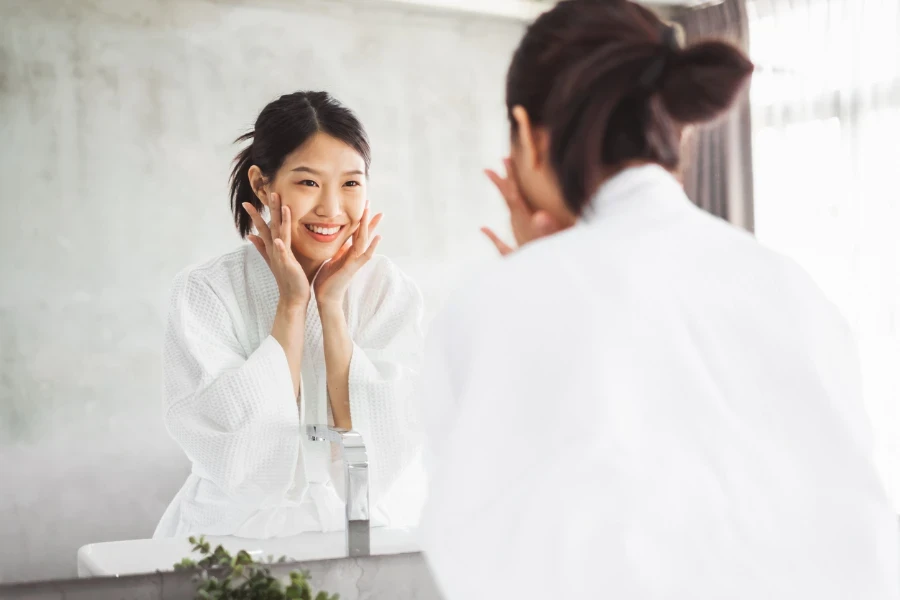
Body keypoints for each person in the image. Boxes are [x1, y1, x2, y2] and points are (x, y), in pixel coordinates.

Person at [419, 2, 899, 599]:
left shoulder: (499, 306)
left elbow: (485, 551)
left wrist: (544, 273)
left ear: (525, 134)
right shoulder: (791, 286)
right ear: (675, 124)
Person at [154, 91, 424, 539]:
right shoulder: (206, 290)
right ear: (262, 185)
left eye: (351, 184)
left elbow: (390, 443)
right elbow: (238, 451)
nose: (332, 209)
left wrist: (331, 306)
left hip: (369, 525)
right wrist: (293, 305)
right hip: (234, 532)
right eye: (309, 183)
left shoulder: (388, 289)